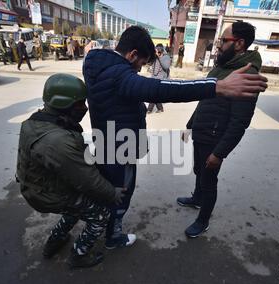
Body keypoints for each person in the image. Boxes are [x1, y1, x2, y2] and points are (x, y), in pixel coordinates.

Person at [83, 26, 268, 249]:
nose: (140, 69)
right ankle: (113, 236)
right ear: (132, 55)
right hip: (120, 148)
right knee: (120, 192)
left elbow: (239, 121)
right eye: (141, 63)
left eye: (223, 39)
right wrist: (216, 86)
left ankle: (103, 229)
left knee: (106, 189)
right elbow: (163, 88)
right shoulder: (121, 76)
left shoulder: (96, 65)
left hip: (105, 142)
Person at [16, 74, 125, 268]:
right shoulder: (58, 141)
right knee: (100, 214)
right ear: (63, 104)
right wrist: (112, 193)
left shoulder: (36, 122)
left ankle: (54, 242)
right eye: (79, 103)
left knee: (77, 206)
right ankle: (78, 255)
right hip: (48, 195)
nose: (84, 108)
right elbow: (87, 180)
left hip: (37, 187)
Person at [177, 22, 263, 237]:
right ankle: (197, 199)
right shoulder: (222, 66)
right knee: (198, 170)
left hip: (215, 139)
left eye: (224, 41)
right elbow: (204, 99)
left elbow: (240, 121)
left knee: (208, 181)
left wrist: (219, 153)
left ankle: (203, 220)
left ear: (240, 43)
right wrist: (190, 125)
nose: (219, 45)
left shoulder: (247, 74)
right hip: (201, 131)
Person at [147, 43, 171, 113]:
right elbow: (150, 64)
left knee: (153, 94)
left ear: (162, 50)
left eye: (159, 50)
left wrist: (160, 57)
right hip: (153, 78)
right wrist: (151, 55)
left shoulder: (166, 57)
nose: (158, 52)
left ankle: (149, 110)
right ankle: (160, 108)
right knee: (155, 95)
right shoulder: (155, 56)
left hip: (161, 80)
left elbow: (166, 66)